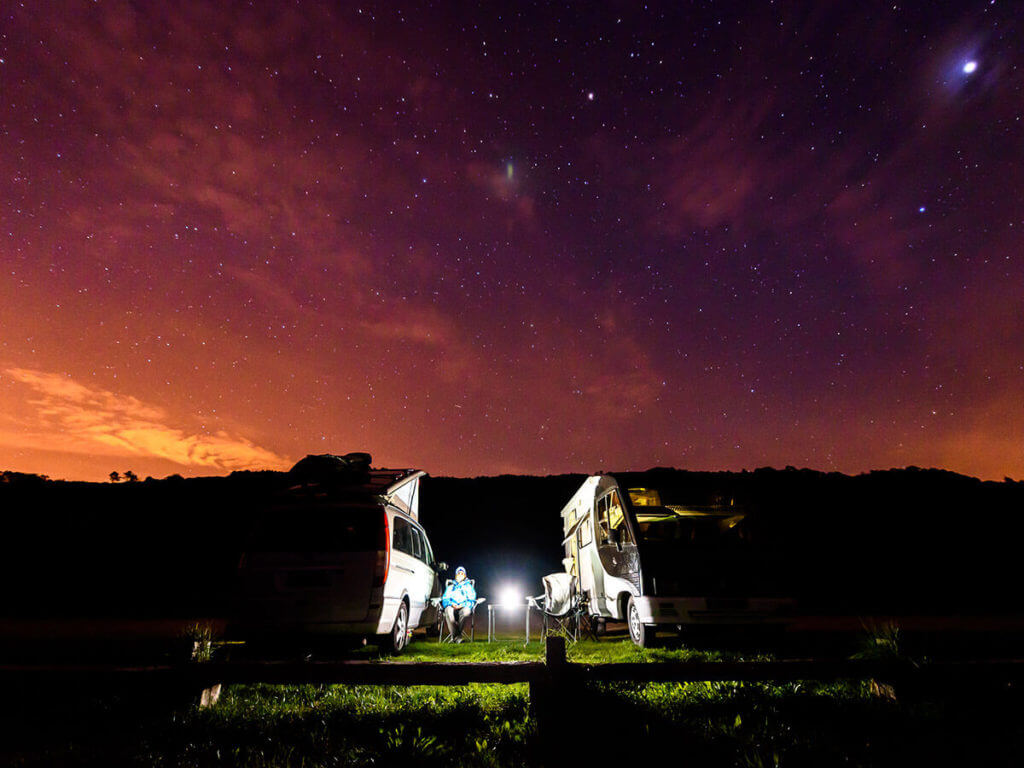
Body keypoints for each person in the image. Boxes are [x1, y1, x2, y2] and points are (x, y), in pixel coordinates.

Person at [441, 566, 477, 642]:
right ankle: (458, 637)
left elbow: (472, 599)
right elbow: (445, 599)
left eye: (462, 573)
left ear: (465, 575)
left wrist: (463, 605)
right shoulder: (450, 587)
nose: (460, 574)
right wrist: (451, 604)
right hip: (452, 606)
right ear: (456, 575)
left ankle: (455, 637)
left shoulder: (469, 587)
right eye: (458, 573)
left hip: (463, 606)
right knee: (448, 610)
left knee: (466, 611)